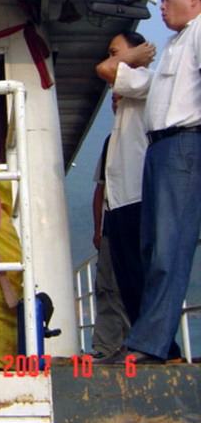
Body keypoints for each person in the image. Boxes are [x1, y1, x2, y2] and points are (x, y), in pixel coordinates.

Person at [99, 0, 201, 364]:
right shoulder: (176, 45)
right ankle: (147, 339)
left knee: (169, 249)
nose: (163, 7)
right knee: (152, 250)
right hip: (159, 150)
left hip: (184, 144)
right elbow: (111, 73)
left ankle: (151, 344)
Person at [89, 134, 130, 358]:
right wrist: (98, 229)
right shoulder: (111, 141)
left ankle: (134, 342)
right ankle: (105, 347)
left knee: (128, 285)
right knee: (105, 285)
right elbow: (100, 189)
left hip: (134, 221)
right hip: (110, 225)